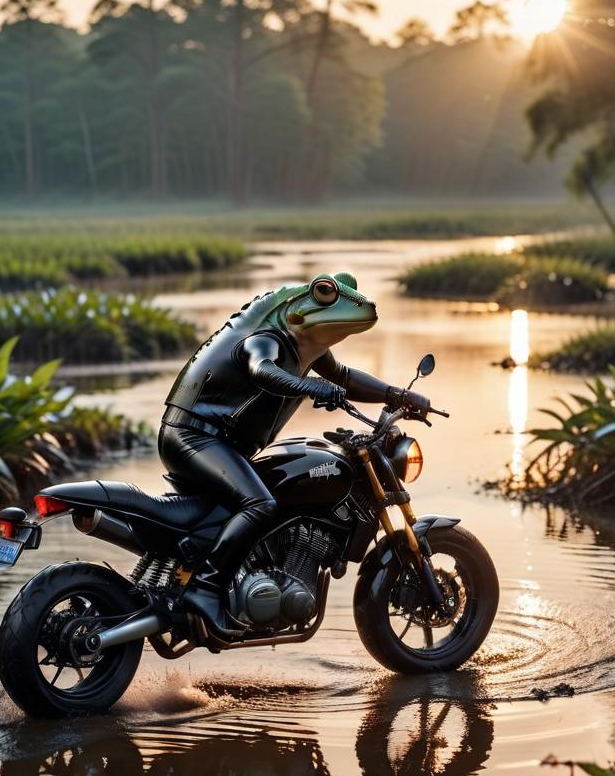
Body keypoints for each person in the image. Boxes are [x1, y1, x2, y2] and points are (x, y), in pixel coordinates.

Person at [158, 271, 430, 634]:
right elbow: (262, 370)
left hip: (218, 444)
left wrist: (398, 395)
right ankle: (205, 591)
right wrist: (311, 386)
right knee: (260, 505)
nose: (350, 303)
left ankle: (242, 585)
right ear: (294, 309)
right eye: (324, 293)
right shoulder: (266, 340)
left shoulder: (307, 349)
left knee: (268, 496)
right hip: (194, 437)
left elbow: (345, 377)